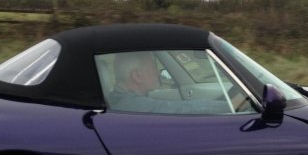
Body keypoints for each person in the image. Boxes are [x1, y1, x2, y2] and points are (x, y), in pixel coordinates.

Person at [105, 51, 247, 114]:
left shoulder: (121, 100)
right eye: (153, 67)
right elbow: (182, 109)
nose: (156, 72)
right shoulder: (132, 105)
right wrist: (232, 106)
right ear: (137, 76)